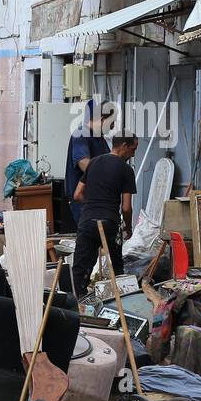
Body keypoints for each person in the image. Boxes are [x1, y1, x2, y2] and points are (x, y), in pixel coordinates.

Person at [72, 133, 139, 298]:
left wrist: (92, 204)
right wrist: (128, 228)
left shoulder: (93, 163)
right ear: (123, 145)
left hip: (87, 222)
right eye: (132, 149)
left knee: (81, 269)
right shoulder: (126, 170)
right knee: (116, 267)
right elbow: (126, 207)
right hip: (110, 223)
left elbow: (77, 195)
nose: (133, 154)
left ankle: (77, 305)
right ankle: (120, 304)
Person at [66, 99, 114, 227]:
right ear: (103, 118)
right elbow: (83, 163)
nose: (113, 127)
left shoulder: (100, 139)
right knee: (88, 239)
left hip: (97, 201)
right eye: (112, 122)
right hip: (83, 202)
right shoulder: (81, 134)